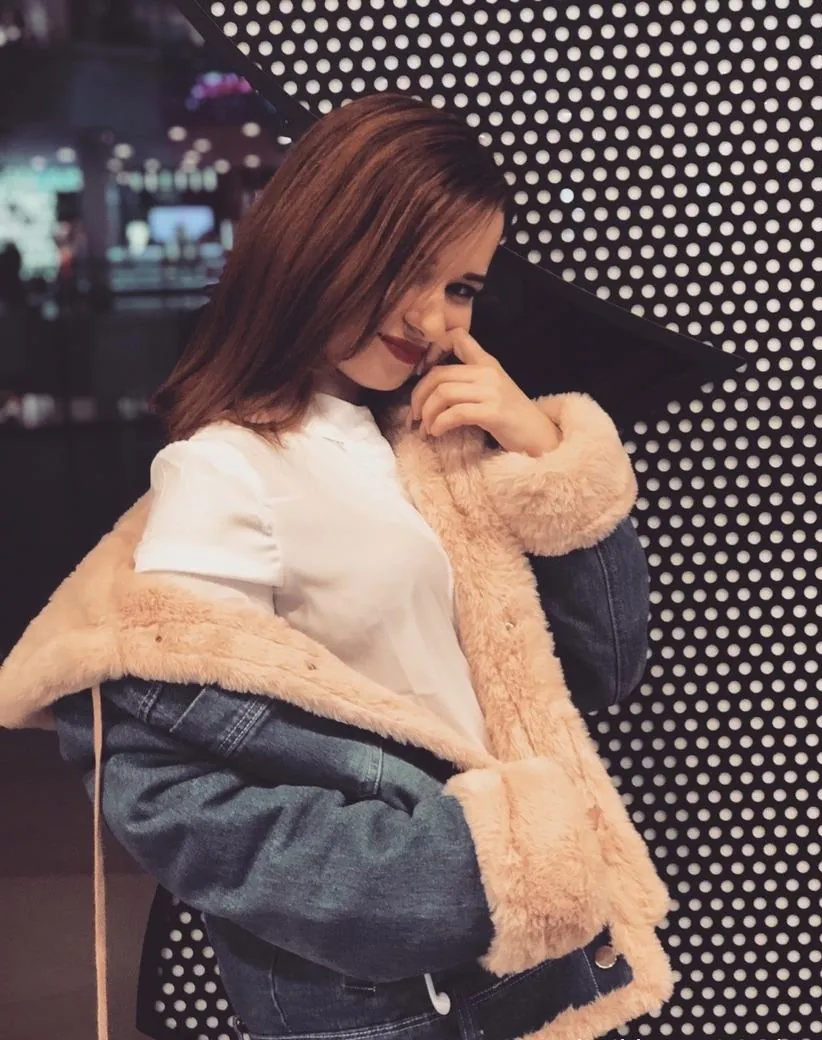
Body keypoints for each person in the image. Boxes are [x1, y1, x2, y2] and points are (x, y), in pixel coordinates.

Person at [0, 93, 674, 1040]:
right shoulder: (227, 470)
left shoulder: (422, 445)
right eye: (407, 266)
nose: (431, 316)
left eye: (462, 287)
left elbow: (601, 665)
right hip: (392, 994)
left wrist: (537, 449)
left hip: (512, 965)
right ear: (325, 240)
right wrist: (453, 876)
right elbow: (162, 785)